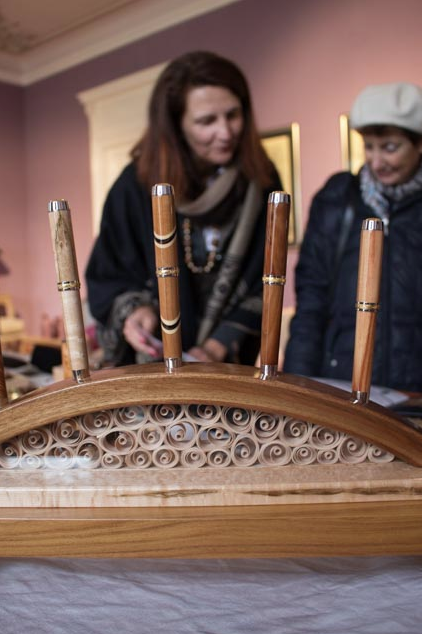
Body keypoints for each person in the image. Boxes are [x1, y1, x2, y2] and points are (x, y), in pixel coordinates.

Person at [86, 51, 281, 367]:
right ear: (176, 126)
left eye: (233, 115)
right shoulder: (134, 187)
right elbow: (107, 276)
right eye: (207, 121)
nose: (226, 132)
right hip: (153, 367)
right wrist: (136, 312)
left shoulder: (262, 181)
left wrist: (218, 345)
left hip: (229, 362)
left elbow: (267, 280)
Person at [283, 81, 422, 392]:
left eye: (390, 147)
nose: (376, 161)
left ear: (418, 143)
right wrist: (295, 389)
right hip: (341, 383)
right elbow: (312, 300)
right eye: (369, 146)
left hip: (414, 393)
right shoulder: (337, 198)